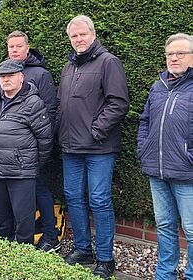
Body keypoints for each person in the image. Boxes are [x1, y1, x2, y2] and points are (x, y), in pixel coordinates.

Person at [57, 15, 129, 279]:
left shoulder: (109, 62)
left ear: (93, 34)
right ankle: (82, 249)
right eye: (74, 36)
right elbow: (61, 104)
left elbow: (118, 103)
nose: (78, 40)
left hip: (99, 147)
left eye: (82, 35)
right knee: (74, 197)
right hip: (70, 147)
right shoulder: (68, 65)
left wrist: (96, 130)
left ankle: (105, 258)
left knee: (99, 200)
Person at [137, 33, 193, 280]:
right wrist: (144, 147)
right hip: (156, 172)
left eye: (180, 53)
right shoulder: (158, 86)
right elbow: (145, 121)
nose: (174, 58)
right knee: (165, 227)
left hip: (186, 173)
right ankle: (165, 274)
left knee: (192, 230)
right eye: (170, 54)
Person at [0, 59, 52, 244]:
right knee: (2, 217)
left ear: (21, 77)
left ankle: (23, 256)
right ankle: (4, 254)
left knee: (24, 220)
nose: (6, 80)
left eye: (10, 76)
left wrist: (29, 164)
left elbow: (45, 139)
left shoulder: (33, 103)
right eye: (2, 76)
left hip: (22, 173)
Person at [7, 30, 60, 252]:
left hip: (31, 148)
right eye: (11, 47)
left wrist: (41, 147)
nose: (15, 50)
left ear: (27, 48)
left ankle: (51, 235)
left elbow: (50, 111)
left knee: (39, 190)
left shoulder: (40, 74)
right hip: (9, 148)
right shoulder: (6, 72)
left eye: (19, 46)